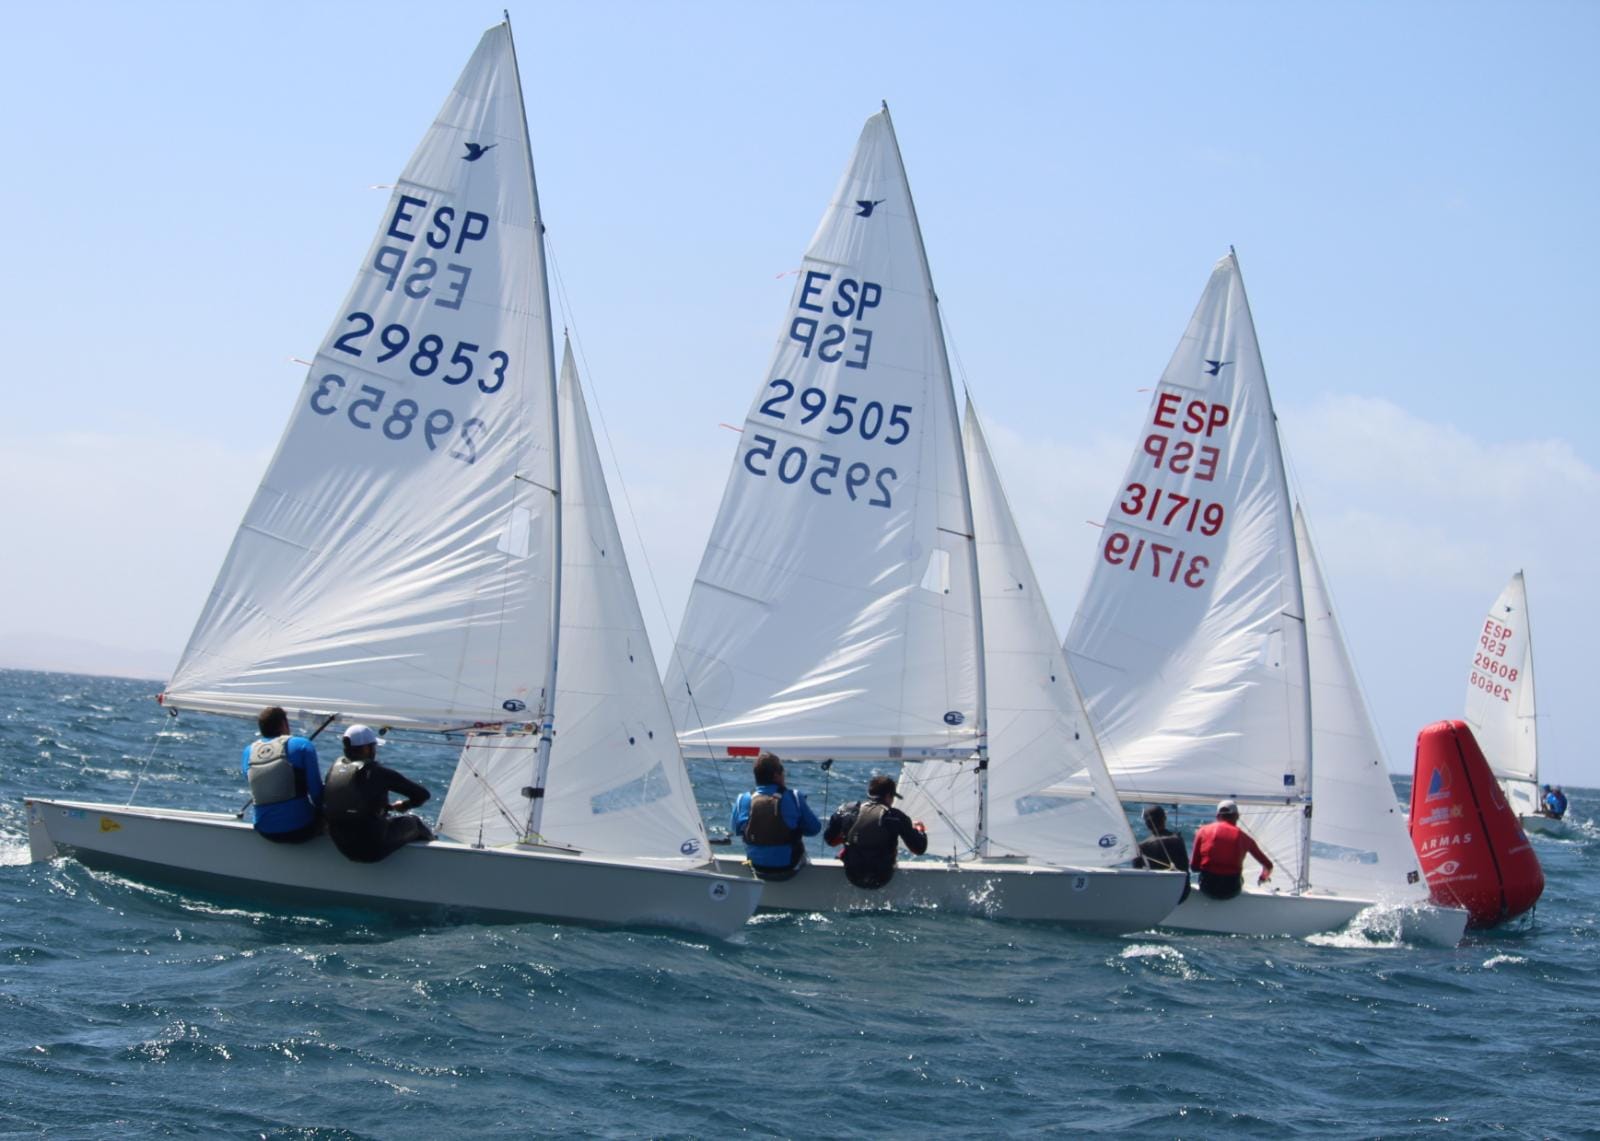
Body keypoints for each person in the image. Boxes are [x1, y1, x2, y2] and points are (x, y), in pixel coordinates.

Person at [321, 724, 435, 863]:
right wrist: (405, 805)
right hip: (372, 849)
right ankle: (437, 855)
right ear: (367, 748)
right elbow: (422, 795)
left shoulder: (334, 770)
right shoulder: (377, 773)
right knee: (414, 822)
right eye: (373, 747)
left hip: (342, 845)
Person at [823, 775, 928, 890]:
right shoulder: (896, 817)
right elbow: (919, 849)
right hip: (882, 878)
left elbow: (830, 840)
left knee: (850, 842)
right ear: (888, 796)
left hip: (853, 875)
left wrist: (849, 836)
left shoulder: (846, 810)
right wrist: (919, 829)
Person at [730, 752, 821, 880]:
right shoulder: (794, 797)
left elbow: (736, 830)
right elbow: (814, 829)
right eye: (783, 772)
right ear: (776, 775)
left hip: (756, 867)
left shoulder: (743, 799)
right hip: (789, 868)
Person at [242, 705, 324, 843]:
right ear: (284, 724)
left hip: (264, 830)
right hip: (301, 828)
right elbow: (316, 794)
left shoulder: (248, 751)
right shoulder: (302, 745)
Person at [1190, 799, 1273, 901]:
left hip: (1207, 889)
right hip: (1232, 890)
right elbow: (1268, 865)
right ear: (1237, 816)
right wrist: (1263, 878)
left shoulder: (1202, 831)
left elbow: (1194, 867)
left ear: (1217, 816)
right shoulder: (1245, 838)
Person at [1131, 804, 1190, 903]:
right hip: (1180, 895)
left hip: (1155, 895)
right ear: (1164, 819)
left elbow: (1137, 874)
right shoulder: (1178, 840)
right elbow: (1185, 867)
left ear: (1146, 824)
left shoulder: (1141, 847)